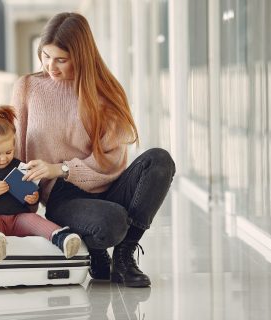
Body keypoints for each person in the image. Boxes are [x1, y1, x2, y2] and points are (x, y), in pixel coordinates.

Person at [12, 12, 176, 287]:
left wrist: (62, 168)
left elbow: (112, 162)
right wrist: (9, 208)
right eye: (46, 56)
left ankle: (124, 257)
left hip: (108, 185)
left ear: (81, 56)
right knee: (111, 222)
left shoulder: (106, 92)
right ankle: (97, 250)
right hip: (63, 197)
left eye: (61, 59)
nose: (51, 66)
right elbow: (17, 154)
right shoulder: (28, 88)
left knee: (160, 160)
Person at [0, 105, 82, 261]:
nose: (4, 158)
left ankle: (61, 237)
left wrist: (33, 198)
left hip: (17, 217)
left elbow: (32, 193)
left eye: (8, 152)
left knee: (33, 220)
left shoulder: (19, 166)